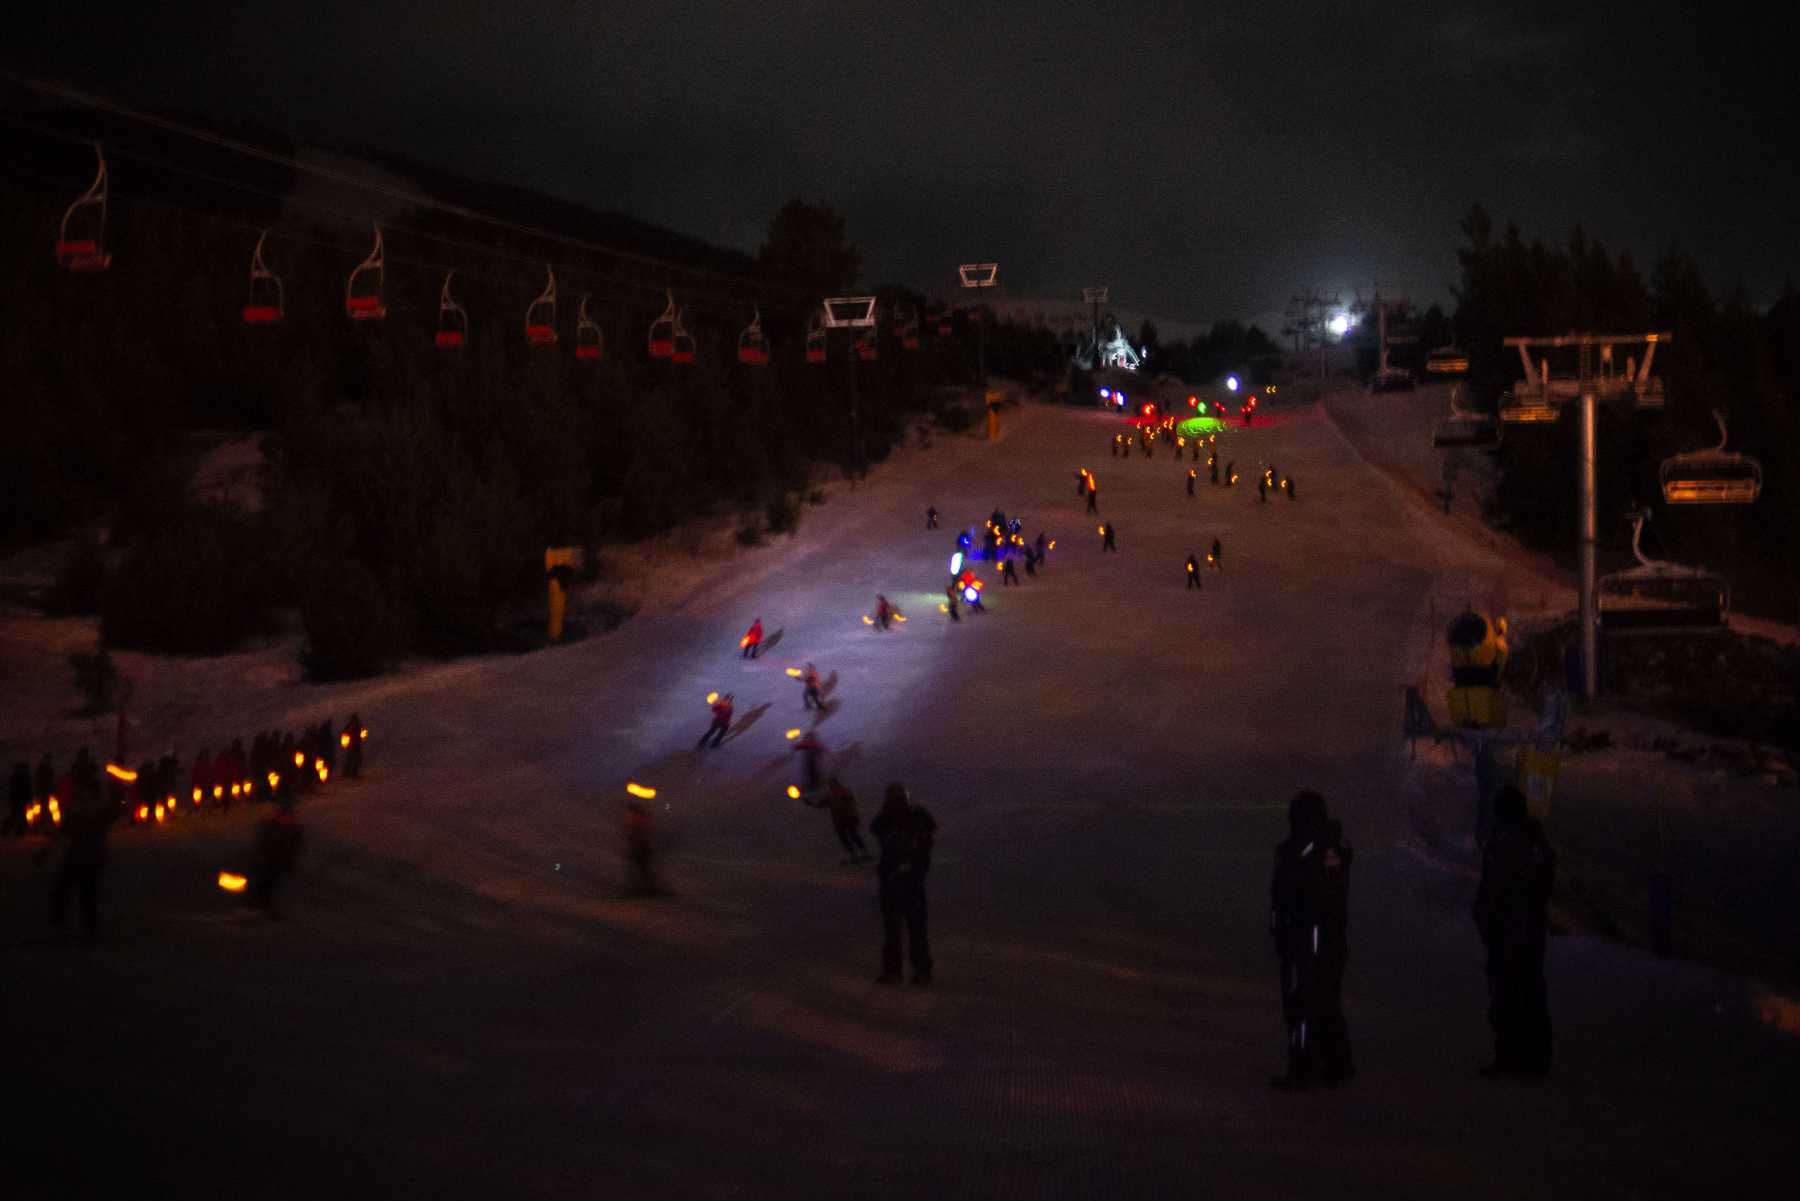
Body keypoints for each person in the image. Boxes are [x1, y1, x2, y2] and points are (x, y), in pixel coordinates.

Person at [1269, 790, 1354, 1089]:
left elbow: (1315, 895)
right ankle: (1334, 1064)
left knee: (1305, 1004)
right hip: (1308, 938)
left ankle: (1306, 1067)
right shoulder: (1303, 849)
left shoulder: (1318, 850)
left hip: (1310, 940)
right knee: (1321, 1000)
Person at [1473, 785, 1556, 1079]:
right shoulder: (1533, 841)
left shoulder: (1508, 841)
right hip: (1524, 930)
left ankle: (1514, 1057)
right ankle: (1531, 1058)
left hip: (1510, 930)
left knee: (1510, 994)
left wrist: (1487, 916)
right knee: (1527, 992)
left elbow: (1497, 886)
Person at [43, 748, 111, 943]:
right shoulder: (78, 802)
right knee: (65, 888)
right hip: (80, 853)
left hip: (89, 854)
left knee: (84, 892)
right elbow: (65, 828)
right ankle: (63, 924)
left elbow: (102, 818)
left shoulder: (92, 799)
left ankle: (87, 928)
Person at [870, 782, 936, 984]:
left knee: (898, 930)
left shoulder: (895, 820)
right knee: (910, 929)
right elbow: (876, 828)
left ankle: (900, 971)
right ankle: (917, 970)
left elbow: (876, 828)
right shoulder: (906, 818)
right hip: (905, 883)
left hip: (901, 883)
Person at [248, 796, 304, 916]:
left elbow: (294, 846)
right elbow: (264, 843)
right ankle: (259, 905)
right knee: (264, 883)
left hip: (278, 862)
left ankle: (264, 906)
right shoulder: (272, 826)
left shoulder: (293, 829)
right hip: (269, 861)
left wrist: (290, 860)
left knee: (271, 884)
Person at [807, 775, 871, 863]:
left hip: (848, 818)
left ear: (836, 783)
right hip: (839, 820)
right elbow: (820, 804)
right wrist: (810, 803)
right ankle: (854, 854)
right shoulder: (830, 795)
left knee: (853, 835)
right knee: (845, 838)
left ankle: (864, 853)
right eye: (830, 784)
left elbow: (852, 804)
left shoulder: (844, 792)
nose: (831, 785)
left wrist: (855, 816)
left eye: (832, 783)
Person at [623, 801, 658, 894]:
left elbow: (640, 835)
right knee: (641, 869)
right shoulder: (638, 819)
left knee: (642, 869)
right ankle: (642, 886)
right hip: (640, 848)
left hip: (641, 848)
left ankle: (645, 887)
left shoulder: (638, 819)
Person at [792, 732, 825, 797]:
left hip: (812, 761)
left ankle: (814, 787)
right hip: (811, 761)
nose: (808, 738)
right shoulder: (815, 743)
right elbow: (796, 747)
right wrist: (794, 739)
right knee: (812, 774)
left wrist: (794, 739)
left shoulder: (812, 743)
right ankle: (814, 787)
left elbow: (796, 747)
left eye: (808, 737)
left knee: (813, 774)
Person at [5, 761, 29, 836]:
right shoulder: (20, 777)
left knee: (17, 815)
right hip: (18, 799)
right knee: (17, 815)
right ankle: (16, 831)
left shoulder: (17, 777)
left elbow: (25, 789)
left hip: (18, 799)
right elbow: (23, 789)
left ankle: (18, 831)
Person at [343, 714, 366, 779]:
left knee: (357, 759)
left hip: (357, 744)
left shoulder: (359, 726)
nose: (354, 721)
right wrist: (345, 743)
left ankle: (353, 772)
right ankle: (347, 773)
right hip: (352, 745)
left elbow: (363, 734)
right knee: (350, 759)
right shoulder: (349, 726)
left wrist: (362, 738)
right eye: (354, 719)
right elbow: (344, 735)